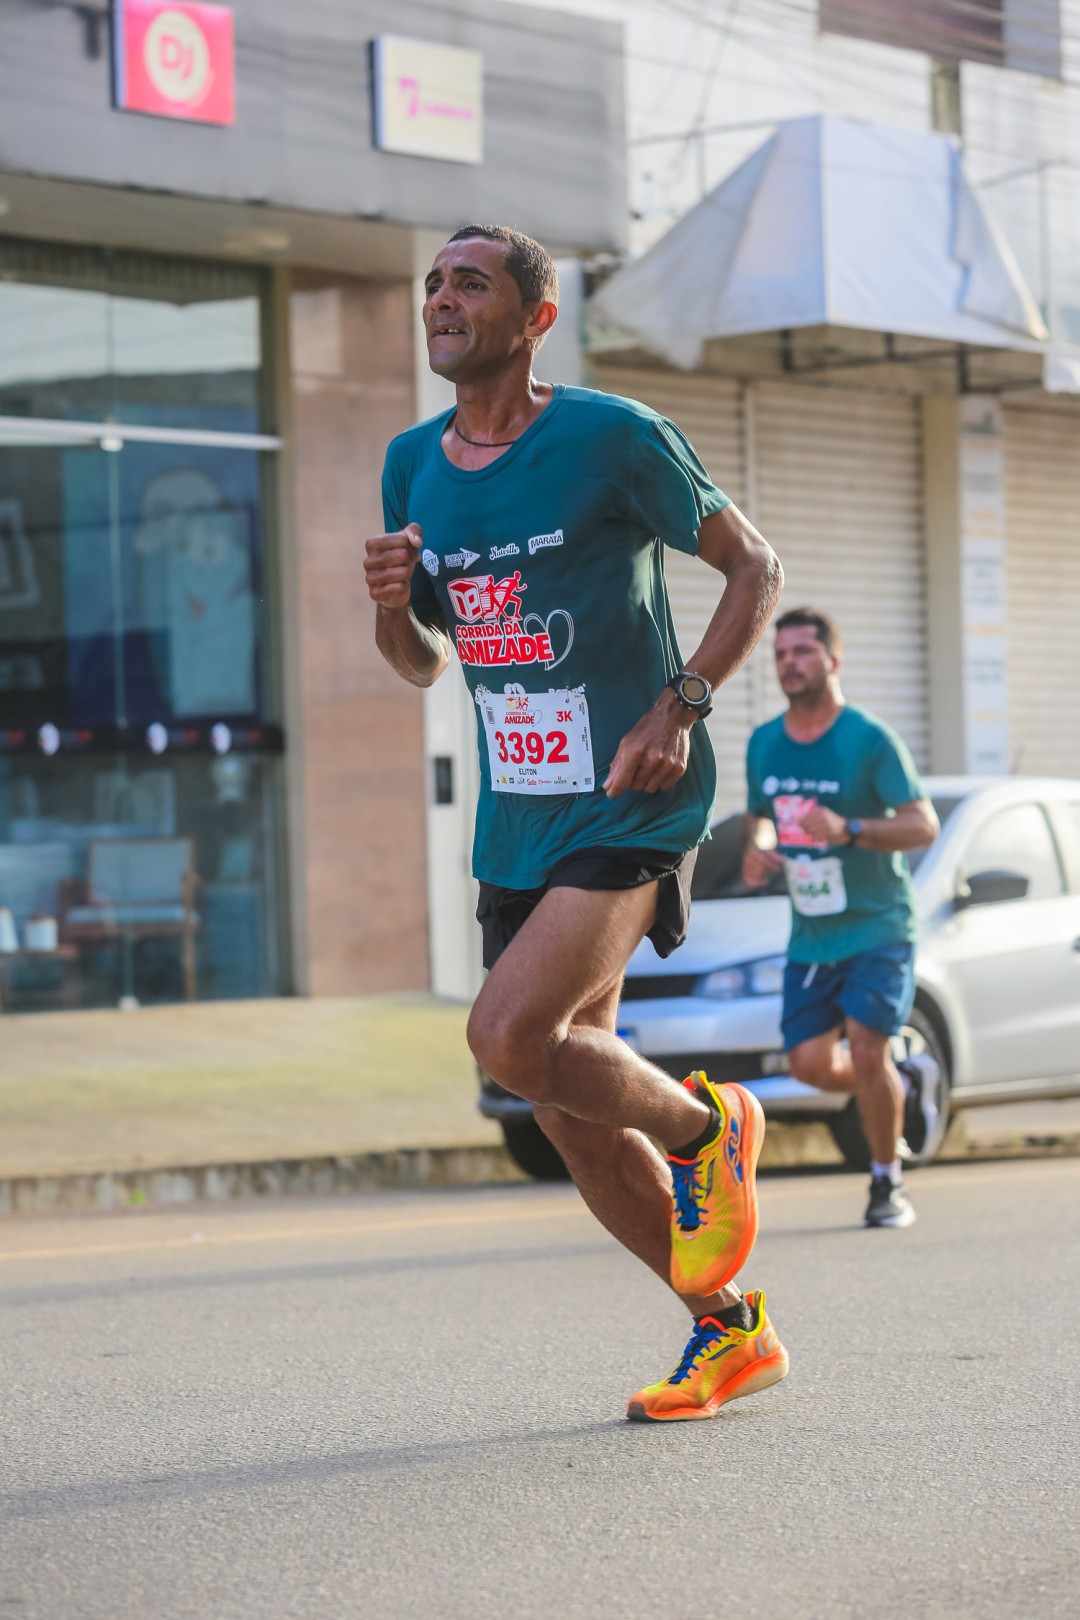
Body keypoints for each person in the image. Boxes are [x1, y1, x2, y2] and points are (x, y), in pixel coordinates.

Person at [364, 223, 786, 1422]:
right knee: (563, 1102)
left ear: (536, 318)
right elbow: (424, 661)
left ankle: (708, 1128)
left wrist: (679, 706)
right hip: (520, 816)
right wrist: (390, 608)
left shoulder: (613, 436)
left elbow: (754, 566)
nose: (442, 300)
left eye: (471, 282)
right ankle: (729, 1330)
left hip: (632, 791)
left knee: (506, 1036)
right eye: (434, 284)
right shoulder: (411, 463)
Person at [742, 607, 941, 1228]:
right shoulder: (764, 742)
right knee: (806, 1064)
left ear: (833, 660)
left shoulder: (870, 740)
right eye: (780, 654)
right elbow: (762, 815)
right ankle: (898, 1082)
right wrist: (759, 849)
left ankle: (887, 1182)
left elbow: (923, 825)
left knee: (865, 1046)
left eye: (802, 652)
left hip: (878, 925)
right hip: (812, 932)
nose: (789, 664)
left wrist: (850, 828)